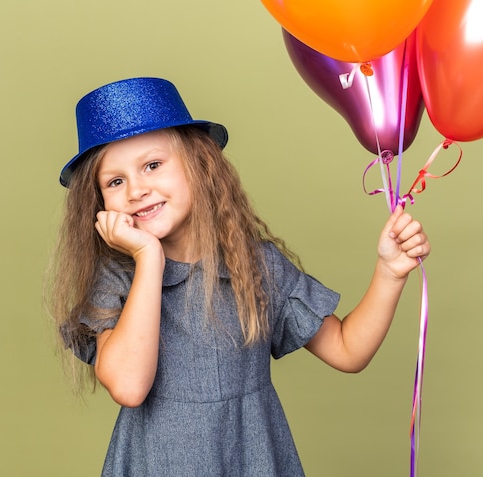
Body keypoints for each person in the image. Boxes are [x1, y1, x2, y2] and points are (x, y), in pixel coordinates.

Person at [48, 77, 430, 476]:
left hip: (253, 458)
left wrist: (389, 272)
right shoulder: (117, 277)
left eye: (152, 165)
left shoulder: (255, 265)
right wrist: (148, 258)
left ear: (198, 165)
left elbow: (348, 350)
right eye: (115, 181)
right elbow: (129, 386)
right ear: (99, 201)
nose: (136, 190)